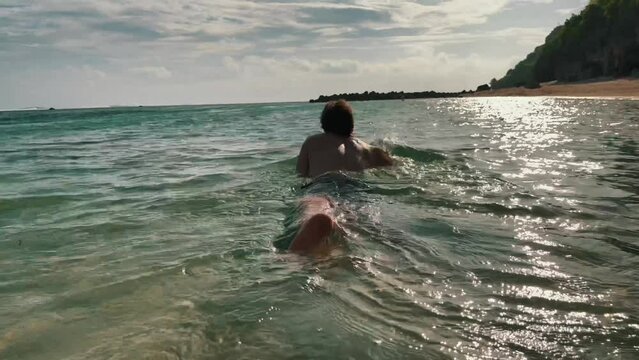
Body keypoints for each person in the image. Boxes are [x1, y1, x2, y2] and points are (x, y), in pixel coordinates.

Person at [288, 100, 393, 254]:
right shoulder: (366, 148)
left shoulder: (312, 142)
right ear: (351, 124)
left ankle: (318, 221)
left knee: (317, 205)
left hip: (323, 184)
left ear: (323, 123)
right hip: (355, 188)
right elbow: (392, 163)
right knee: (354, 219)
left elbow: (301, 175)